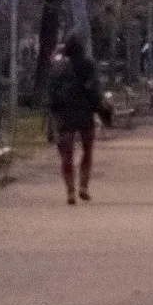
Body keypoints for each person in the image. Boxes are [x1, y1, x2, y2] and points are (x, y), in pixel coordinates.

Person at [45, 33, 112, 205]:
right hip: (85, 113)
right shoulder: (88, 65)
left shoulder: (58, 67)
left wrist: (54, 110)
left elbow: (51, 92)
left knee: (66, 155)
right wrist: (101, 109)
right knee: (87, 150)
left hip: (65, 115)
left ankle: (70, 192)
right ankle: (83, 186)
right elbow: (95, 90)